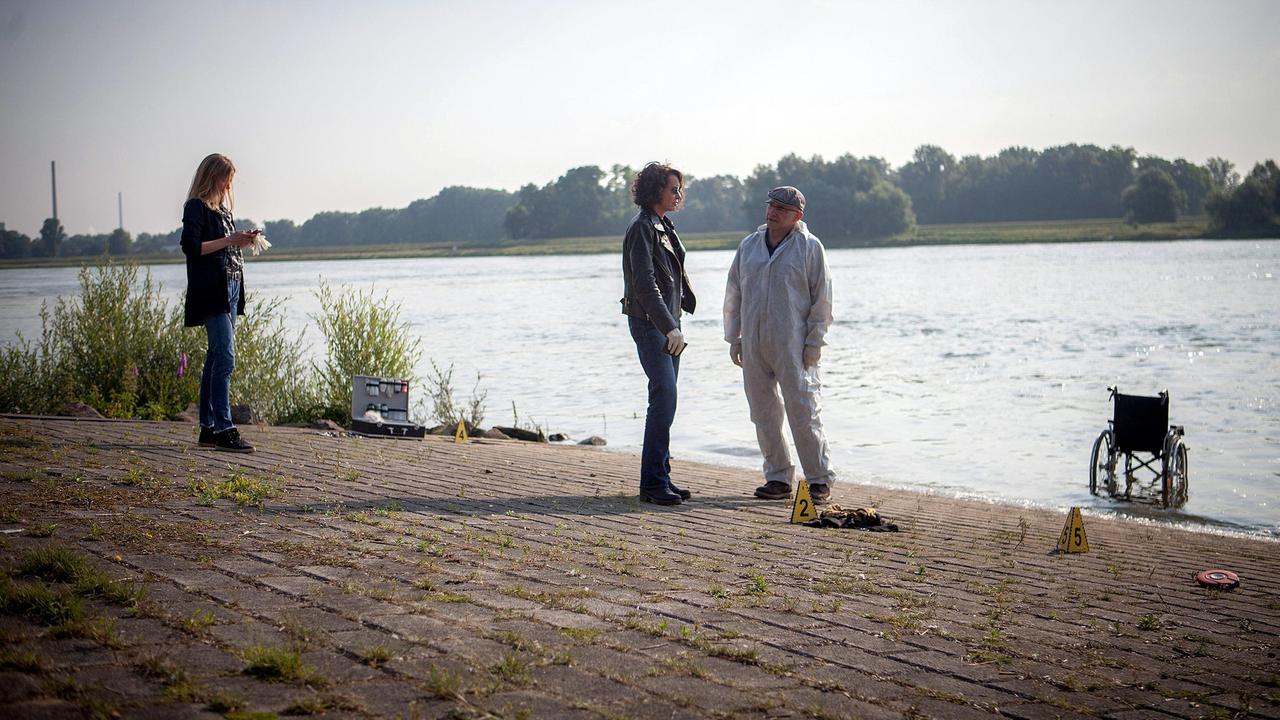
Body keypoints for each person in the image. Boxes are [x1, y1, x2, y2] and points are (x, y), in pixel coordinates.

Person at [724, 186, 836, 503]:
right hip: (754, 342)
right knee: (763, 413)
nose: (773, 212)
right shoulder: (748, 247)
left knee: (804, 411)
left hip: (795, 344)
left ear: (797, 216)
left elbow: (822, 300)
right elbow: (734, 294)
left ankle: (818, 479)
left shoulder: (810, 248)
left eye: (782, 209)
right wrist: (735, 337)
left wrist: (815, 342)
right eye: (771, 206)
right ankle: (778, 477)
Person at [620, 162, 696, 505]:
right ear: (655, 192)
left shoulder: (663, 224)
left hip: (668, 324)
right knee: (663, 397)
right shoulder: (642, 229)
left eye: (679, 189)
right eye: (673, 189)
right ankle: (652, 485)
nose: (678, 195)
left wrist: (674, 324)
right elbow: (644, 284)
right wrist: (669, 327)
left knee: (668, 399)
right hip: (652, 325)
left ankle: (661, 476)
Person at [180, 153, 259, 453]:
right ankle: (225, 429)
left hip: (231, 287)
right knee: (226, 357)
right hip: (211, 290)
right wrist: (229, 241)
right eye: (226, 178)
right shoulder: (196, 207)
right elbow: (192, 247)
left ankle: (208, 428)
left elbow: (226, 244)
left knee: (215, 357)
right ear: (212, 176)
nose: (228, 184)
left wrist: (243, 240)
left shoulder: (224, 210)